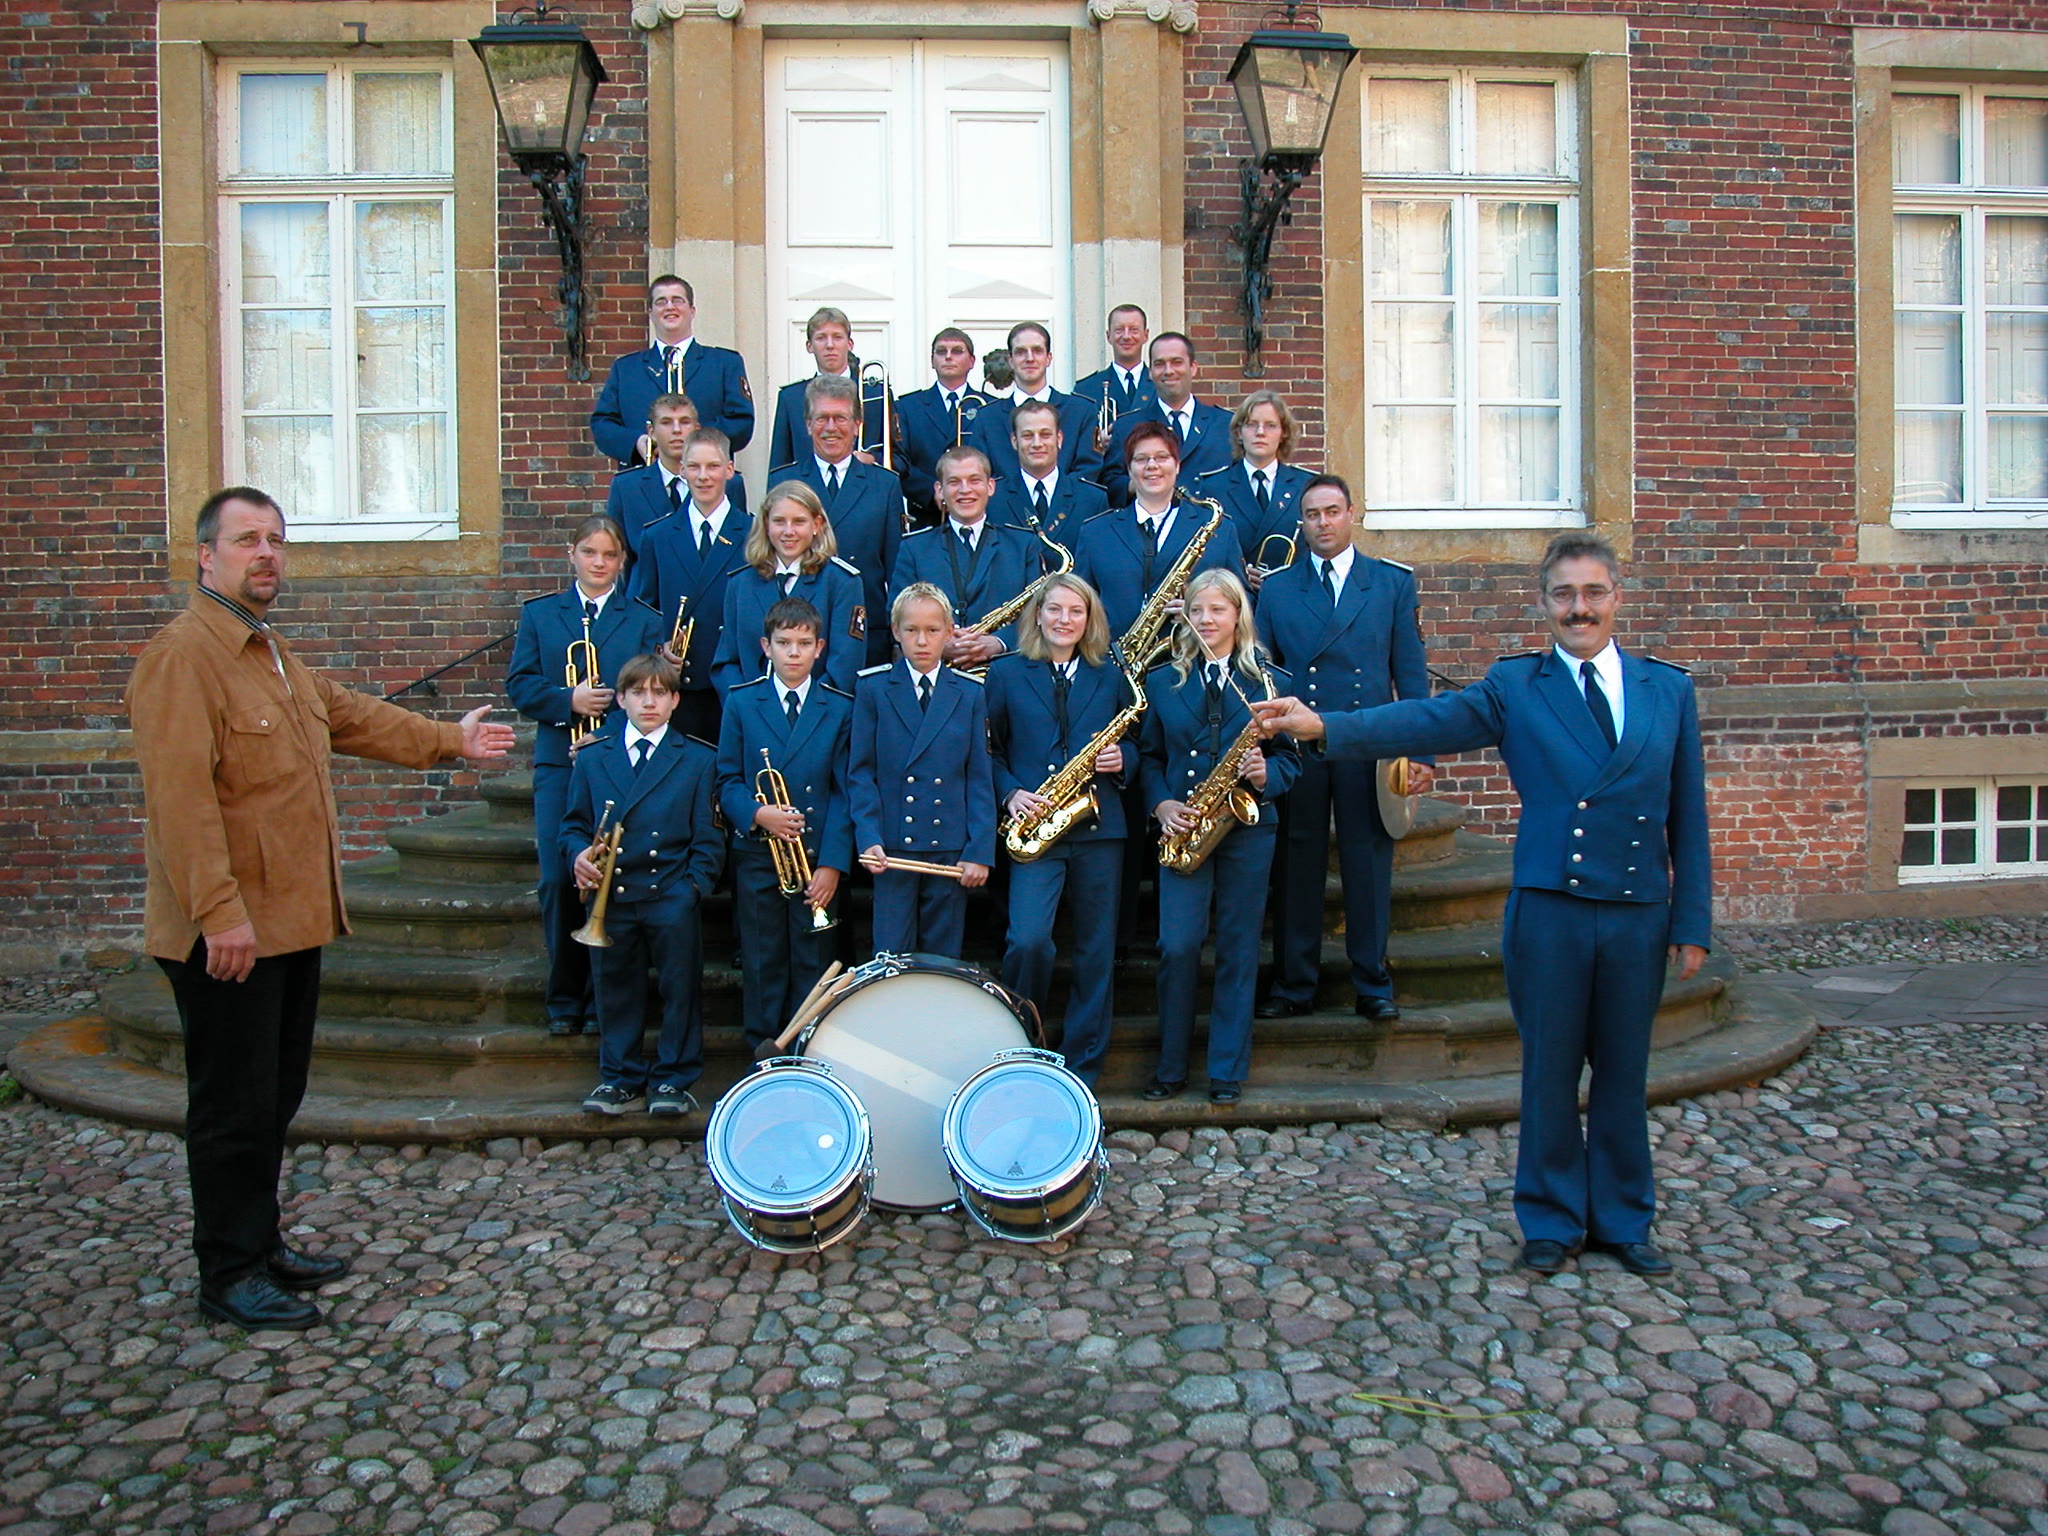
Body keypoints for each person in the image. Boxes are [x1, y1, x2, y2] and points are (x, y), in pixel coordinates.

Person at [1251, 530, 1711, 1277]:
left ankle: (1625, 1219)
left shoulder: (1667, 689)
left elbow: (1687, 813)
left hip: (1637, 909)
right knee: (1549, 1073)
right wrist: (1326, 726)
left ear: (1617, 598)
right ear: (1544, 604)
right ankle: (1551, 1220)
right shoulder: (1516, 686)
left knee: (1624, 1075)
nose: (1579, 608)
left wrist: (1691, 920)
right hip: (1551, 908)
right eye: (1564, 594)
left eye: (1593, 593)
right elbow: (1423, 720)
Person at [129, 487, 515, 1331]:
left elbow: (350, 716)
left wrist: (448, 740)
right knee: (232, 1108)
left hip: (287, 923)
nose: (266, 554)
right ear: (206, 556)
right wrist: (218, 913)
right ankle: (228, 1272)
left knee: (272, 1098)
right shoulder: (184, 656)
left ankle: (259, 1243)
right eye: (247, 540)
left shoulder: (268, 652)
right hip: (229, 933)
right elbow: (181, 802)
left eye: (276, 540)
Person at [1253, 475, 1432, 1024]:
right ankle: (1294, 983)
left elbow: (1410, 674)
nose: (1323, 522)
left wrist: (1421, 751)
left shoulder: (1390, 583)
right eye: (1312, 514)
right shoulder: (1279, 589)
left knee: (1367, 865)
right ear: (1301, 523)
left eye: (1332, 511)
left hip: (1367, 744)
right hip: (1299, 745)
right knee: (1296, 866)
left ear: (1353, 513)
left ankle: (1373, 983)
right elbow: (1264, 673)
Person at [506, 513, 669, 1039]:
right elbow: (520, 684)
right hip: (560, 763)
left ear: (622, 562)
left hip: (617, 764)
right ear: (571, 555)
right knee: (559, 879)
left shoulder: (643, 619)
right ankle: (564, 997)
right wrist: (568, 701)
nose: (599, 563)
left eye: (610, 555)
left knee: (611, 879)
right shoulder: (540, 614)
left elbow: (651, 693)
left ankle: (606, 1000)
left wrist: (606, 734)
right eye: (589, 552)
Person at [1139, 570, 1298, 1105]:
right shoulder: (1161, 681)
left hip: (1248, 830)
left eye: (1218, 609)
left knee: (1237, 948)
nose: (1206, 620)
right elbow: (1150, 757)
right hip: (1183, 828)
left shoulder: (1271, 682)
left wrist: (1266, 774)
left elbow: (1292, 762)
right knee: (1177, 946)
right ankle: (1170, 1066)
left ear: (1238, 615)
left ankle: (1226, 1069)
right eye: (1197, 610)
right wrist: (1161, 804)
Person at [983, 574, 1137, 1087]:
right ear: (1037, 614)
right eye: (1054, 609)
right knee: (1027, 940)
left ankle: (1083, 1066)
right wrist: (1009, 792)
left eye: (1076, 611)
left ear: (1090, 619)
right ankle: (1020, 1048)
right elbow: (987, 751)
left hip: (1099, 828)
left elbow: (1142, 744)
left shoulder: (1112, 675)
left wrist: (1124, 758)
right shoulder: (1005, 673)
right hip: (1034, 825)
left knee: (1096, 949)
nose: (1064, 619)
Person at [563, 651, 725, 1116]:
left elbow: (709, 838)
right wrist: (578, 856)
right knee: (616, 988)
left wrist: (692, 889)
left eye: (659, 693)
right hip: (611, 894)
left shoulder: (698, 758)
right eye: (637, 693)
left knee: (680, 989)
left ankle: (674, 1078)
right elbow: (573, 826)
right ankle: (620, 1078)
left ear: (675, 700)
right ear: (620, 700)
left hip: (670, 892)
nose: (648, 702)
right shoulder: (593, 757)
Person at [715, 597, 854, 1053]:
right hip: (759, 858)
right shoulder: (741, 702)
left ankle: (810, 1055)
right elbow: (727, 779)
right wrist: (758, 814)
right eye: (784, 642)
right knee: (763, 961)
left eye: (804, 643)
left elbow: (845, 792)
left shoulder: (839, 708)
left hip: (816, 860)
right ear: (766, 646)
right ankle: (764, 1057)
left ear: (820, 648)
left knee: (815, 962)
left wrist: (833, 864)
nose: (794, 652)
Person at [850, 583, 995, 956]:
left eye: (932, 630)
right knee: (891, 955)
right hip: (892, 847)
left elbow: (979, 778)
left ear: (949, 632)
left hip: (949, 847)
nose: (921, 640)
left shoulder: (970, 693)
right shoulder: (874, 688)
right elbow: (861, 773)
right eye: (911, 629)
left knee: (941, 959)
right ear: (895, 631)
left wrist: (979, 849)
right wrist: (868, 836)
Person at [768, 374, 904, 667]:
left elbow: (895, 570)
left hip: (864, 634)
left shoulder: (885, 484)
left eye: (840, 418)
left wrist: (897, 639)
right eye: (822, 418)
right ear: (808, 425)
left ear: (857, 425)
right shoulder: (784, 481)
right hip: (797, 638)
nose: (831, 428)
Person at [631, 426, 750, 743]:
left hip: (737, 682)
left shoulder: (755, 534)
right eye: (694, 467)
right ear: (682, 470)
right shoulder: (657, 536)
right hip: (678, 684)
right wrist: (660, 647)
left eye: (713, 466)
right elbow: (642, 610)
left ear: (729, 470)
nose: (703, 476)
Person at [1074, 420, 1243, 644]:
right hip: (1114, 661)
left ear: (1177, 465)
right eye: (1141, 459)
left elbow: (1243, 602)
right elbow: (1077, 604)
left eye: (1162, 457)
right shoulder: (1095, 533)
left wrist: (1201, 611)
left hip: (1193, 657)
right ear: (1129, 469)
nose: (1152, 465)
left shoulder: (1219, 529)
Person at [888, 444, 1047, 669]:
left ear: (990, 486)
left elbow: (1039, 614)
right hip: (938, 673)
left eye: (974, 480)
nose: (965, 490)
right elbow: (897, 614)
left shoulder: (1023, 545)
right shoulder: (913, 548)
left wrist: (999, 642)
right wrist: (940, 642)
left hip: (1005, 672)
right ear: (939, 490)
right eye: (954, 482)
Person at [711, 481, 865, 698]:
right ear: (766, 524)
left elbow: (844, 667)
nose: (788, 531)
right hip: (751, 712)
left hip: (819, 712)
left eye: (799, 521)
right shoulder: (741, 583)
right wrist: (748, 707)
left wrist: (803, 707)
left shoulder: (841, 582)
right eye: (779, 521)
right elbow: (727, 662)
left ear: (816, 524)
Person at [590, 274, 753, 466]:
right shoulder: (625, 369)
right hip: (644, 476)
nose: (669, 307)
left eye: (677, 300)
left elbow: (741, 422)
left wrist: (695, 440)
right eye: (661, 302)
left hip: (706, 476)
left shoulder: (724, 363)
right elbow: (602, 425)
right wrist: (637, 442)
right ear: (651, 313)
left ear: (692, 310)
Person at [607, 394, 749, 569]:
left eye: (684, 422)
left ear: (697, 429)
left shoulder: (730, 483)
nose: (676, 430)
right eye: (666, 422)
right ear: (651, 431)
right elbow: (617, 556)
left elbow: (739, 547)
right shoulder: (626, 487)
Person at [1191, 389, 1315, 584]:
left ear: (1283, 433)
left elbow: (1315, 551)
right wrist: (1239, 574)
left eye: (1271, 425)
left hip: (1290, 594)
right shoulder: (1213, 487)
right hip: (1233, 596)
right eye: (1251, 424)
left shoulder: (1306, 485)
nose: (1260, 432)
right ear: (1239, 432)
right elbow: (1203, 555)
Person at [1098, 333, 1233, 504]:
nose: (1168, 371)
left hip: (1210, 519)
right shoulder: (1126, 426)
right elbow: (1109, 484)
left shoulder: (1226, 425)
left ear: (1193, 368)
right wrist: (1139, 483)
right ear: (1150, 372)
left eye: (1177, 362)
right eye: (1159, 364)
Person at [968, 322, 1104, 486]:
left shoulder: (1081, 411)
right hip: (1002, 502)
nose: (1029, 358)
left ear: (1048, 358)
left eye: (1037, 351)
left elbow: (1089, 469)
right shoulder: (987, 417)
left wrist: (1052, 495)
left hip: (1071, 502)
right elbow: (980, 474)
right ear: (1010, 360)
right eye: (1021, 352)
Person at [767, 307, 886, 469]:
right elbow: (779, 466)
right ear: (809, 346)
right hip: (806, 485)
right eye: (821, 338)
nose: (830, 345)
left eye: (837, 337)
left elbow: (900, 459)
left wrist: (872, 458)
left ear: (849, 344)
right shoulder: (790, 398)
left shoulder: (876, 394)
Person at [894, 327, 984, 529]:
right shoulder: (908, 406)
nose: (948, 357)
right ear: (932, 361)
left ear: (972, 361)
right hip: (927, 517)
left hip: (978, 514)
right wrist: (933, 491)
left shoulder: (989, 406)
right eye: (941, 351)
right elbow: (900, 462)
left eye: (957, 351)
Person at [990, 398, 1108, 549]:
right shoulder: (992, 499)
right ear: (1014, 441)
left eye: (1045, 434)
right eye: (1027, 435)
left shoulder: (1093, 499)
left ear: (1059, 439)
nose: (1037, 443)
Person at [1073, 302, 1155, 423]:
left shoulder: (1161, 385)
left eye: (1134, 330)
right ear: (1108, 336)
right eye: (1119, 330)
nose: (1126, 336)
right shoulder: (1085, 389)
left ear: (1146, 335)